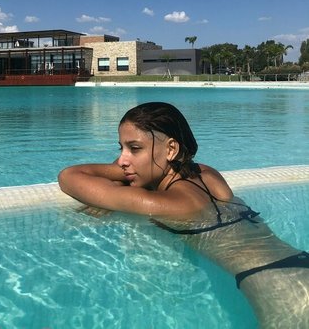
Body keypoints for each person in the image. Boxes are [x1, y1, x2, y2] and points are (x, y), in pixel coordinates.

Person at [58, 102, 309, 328]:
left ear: (171, 149)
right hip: (299, 262)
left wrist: (121, 179)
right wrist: (133, 172)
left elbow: (69, 177)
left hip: (282, 290)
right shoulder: (208, 175)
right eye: (121, 148)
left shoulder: (169, 204)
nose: (122, 160)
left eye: (134, 148)